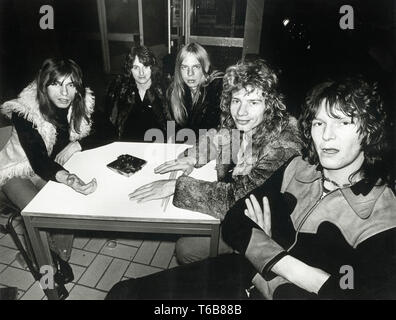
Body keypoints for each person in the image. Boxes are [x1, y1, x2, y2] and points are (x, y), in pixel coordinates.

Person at [106, 76, 396, 300]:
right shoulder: (300, 168)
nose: (327, 136)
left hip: (268, 284)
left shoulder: (382, 216)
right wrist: (300, 269)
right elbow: (235, 220)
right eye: (319, 123)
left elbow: (354, 294)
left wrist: (272, 260)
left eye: (342, 122)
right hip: (244, 274)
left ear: (368, 131)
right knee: (122, 293)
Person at [129, 59, 302, 264]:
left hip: (265, 232)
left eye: (253, 102)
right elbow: (217, 138)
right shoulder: (249, 124)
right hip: (238, 216)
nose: (241, 111)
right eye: (236, 100)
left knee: (185, 248)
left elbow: (235, 198)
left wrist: (176, 186)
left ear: (270, 105)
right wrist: (194, 157)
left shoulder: (281, 146)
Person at [0, 58, 98, 297]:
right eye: (57, 84)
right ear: (44, 85)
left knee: (67, 205)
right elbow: (38, 159)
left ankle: (54, 257)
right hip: (16, 170)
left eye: (71, 85)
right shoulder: (26, 111)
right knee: (39, 214)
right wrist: (70, 178)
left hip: (48, 170)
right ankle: (48, 274)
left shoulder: (79, 102)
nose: (65, 92)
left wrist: (78, 144)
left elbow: (107, 130)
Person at [106, 45, 167, 141]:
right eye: (136, 68)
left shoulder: (163, 91)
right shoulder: (122, 90)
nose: (141, 73)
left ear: (152, 67)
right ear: (130, 69)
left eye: (145, 66)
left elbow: (172, 126)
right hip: (129, 146)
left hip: (158, 146)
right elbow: (112, 123)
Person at [166, 42, 224, 137]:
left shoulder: (216, 89)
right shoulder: (174, 92)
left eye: (196, 67)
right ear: (179, 70)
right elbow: (171, 132)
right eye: (184, 67)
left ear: (205, 67)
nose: (190, 73)